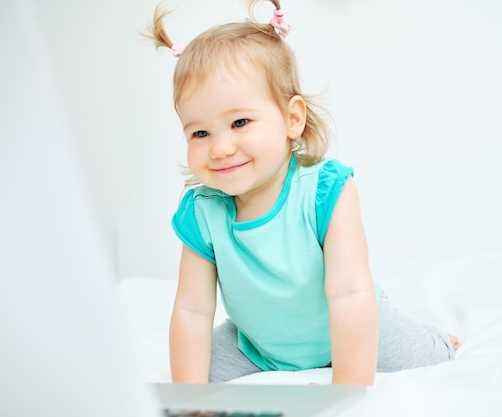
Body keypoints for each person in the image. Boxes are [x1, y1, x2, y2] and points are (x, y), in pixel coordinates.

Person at [145, 0, 460, 385]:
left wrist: (346, 389)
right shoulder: (202, 211)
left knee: (428, 357)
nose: (220, 148)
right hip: (259, 345)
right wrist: (191, 398)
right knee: (195, 369)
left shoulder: (325, 190)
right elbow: (192, 310)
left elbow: (350, 293)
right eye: (200, 133)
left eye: (240, 122)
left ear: (292, 119)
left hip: (351, 326)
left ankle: (437, 337)